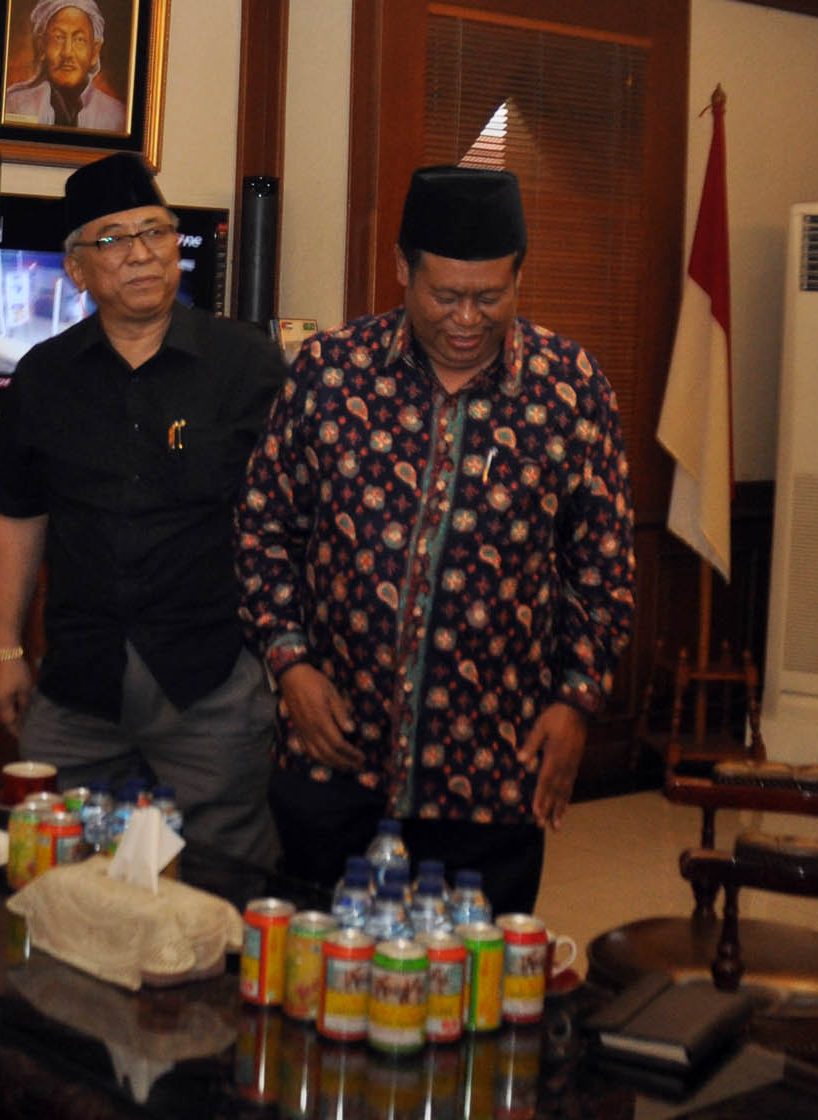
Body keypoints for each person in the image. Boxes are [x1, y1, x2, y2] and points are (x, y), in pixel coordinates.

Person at [236, 165, 634, 915]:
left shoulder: (571, 388)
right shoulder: (330, 373)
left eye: (491, 296)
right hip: (332, 757)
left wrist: (577, 700)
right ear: (402, 269)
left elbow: (603, 568)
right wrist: (289, 662)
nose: (468, 319)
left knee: (472, 977)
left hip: (491, 770)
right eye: (446, 296)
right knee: (318, 966)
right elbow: (263, 527)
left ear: (519, 276)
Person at [0, 153, 286, 865]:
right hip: (77, 683)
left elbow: (292, 517)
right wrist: (4, 649)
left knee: (221, 882)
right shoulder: (44, 375)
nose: (143, 253)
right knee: (56, 875)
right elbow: (17, 513)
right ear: (77, 270)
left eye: (156, 231)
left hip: (211, 678)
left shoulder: (246, 363)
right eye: (114, 239)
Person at [2, 0, 126, 132]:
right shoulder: (14, 105)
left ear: (94, 51)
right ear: (42, 46)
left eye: (79, 40)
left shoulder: (117, 116)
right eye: (59, 37)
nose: (67, 52)